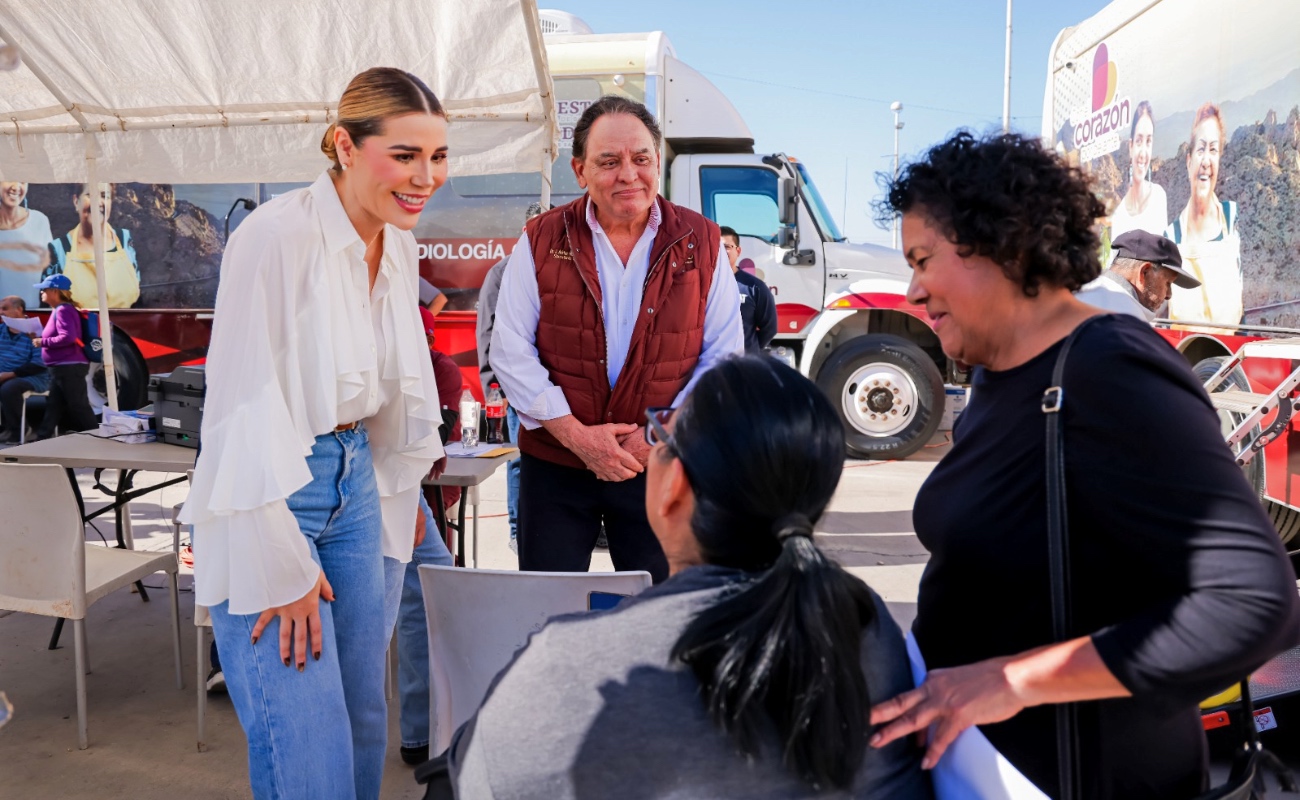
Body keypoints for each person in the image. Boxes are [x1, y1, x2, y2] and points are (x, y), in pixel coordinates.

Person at [868, 131, 1300, 799]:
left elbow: (1253, 601)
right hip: (974, 770)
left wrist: (1013, 681)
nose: (914, 291)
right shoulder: (997, 378)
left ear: (1007, 246)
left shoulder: (1109, 369)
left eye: (923, 261)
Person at [447, 356, 933, 798]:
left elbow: (474, 778)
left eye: (660, 432)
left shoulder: (568, 663)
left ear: (674, 487)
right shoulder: (867, 627)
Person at [179, 67, 448, 800]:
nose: (426, 177)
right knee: (307, 740)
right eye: (405, 155)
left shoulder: (397, 243)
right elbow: (236, 406)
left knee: (363, 719)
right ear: (345, 144)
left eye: (437, 156)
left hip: (360, 480)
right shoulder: (275, 236)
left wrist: (398, 485)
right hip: (270, 486)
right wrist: (279, 561)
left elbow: (392, 385)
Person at [491, 95, 744, 583]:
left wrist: (658, 435)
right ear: (580, 170)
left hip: (662, 464)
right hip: (558, 465)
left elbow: (724, 358)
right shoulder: (540, 238)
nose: (629, 174)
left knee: (664, 608)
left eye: (641, 158)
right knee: (548, 605)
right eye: (609, 162)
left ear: (657, 162)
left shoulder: (703, 241)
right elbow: (510, 348)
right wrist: (577, 437)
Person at [395, 304, 460, 767]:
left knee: (429, 586)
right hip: (384, 474)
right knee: (429, 587)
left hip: (399, 478)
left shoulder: (440, 369)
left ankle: (423, 732)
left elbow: (439, 430)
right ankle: (423, 732)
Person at [476, 202, 547, 553]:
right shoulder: (501, 273)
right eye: (535, 229)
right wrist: (494, 388)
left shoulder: (559, 269)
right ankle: (518, 532)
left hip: (555, 388)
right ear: (524, 230)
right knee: (520, 461)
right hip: (516, 389)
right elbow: (486, 333)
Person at [1166, 103, 1242, 325]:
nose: (1206, 161)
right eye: (1201, 149)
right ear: (1189, 161)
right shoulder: (1171, 237)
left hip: (1231, 348)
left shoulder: (1233, 217)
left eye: (1213, 150)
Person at [45, 183, 140, 309]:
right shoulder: (58, 250)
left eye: (105, 196)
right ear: (76, 201)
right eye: (90, 195)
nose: (98, 203)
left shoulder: (125, 240)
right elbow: (48, 305)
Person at [1076, 230, 1200, 321]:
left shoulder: (1083, 294)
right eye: (1167, 283)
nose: (1169, 295)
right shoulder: (1127, 317)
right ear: (1144, 272)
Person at [28, 275, 97, 439]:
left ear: (55, 291)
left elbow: (68, 337)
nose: (41, 292)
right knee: (54, 404)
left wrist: (42, 341)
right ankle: (42, 438)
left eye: (44, 289)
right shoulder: (60, 310)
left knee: (78, 405)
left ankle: (99, 436)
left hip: (69, 366)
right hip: (61, 367)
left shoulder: (64, 310)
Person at [1109, 101, 1168, 240]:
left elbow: (1164, 250)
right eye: (1139, 141)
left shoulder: (1159, 197)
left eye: (1148, 142)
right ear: (1131, 146)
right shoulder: (1119, 217)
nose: (1143, 153)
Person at [719, 225, 777, 354]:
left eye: (726, 247)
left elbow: (769, 328)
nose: (721, 252)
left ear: (738, 251)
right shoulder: (703, 285)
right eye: (717, 247)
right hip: (711, 361)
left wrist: (750, 349)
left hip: (743, 361)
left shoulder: (754, 287)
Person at [0, 295, 49, 442]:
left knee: (9, 388)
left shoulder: (35, 332)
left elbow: (38, 364)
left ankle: (19, 430)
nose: (1, 312)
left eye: (5, 309)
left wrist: (8, 375)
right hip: (4, 374)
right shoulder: (1, 330)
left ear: (19, 310)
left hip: (32, 377)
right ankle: (5, 427)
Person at [0, 182, 53, 308]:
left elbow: (50, 271)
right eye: (9, 179)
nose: (16, 187)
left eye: (22, 181)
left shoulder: (39, 221)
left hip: (32, 314)